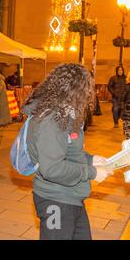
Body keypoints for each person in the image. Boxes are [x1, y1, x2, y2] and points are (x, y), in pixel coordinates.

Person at [23, 63, 112, 240]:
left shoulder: (65, 114)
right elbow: (52, 169)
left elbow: (66, 150)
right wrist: (91, 172)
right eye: (85, 89)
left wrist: (91, 159)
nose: (88, 95)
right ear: (73, 91)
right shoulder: (51, 120)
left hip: (71, 196)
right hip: (55, 201)